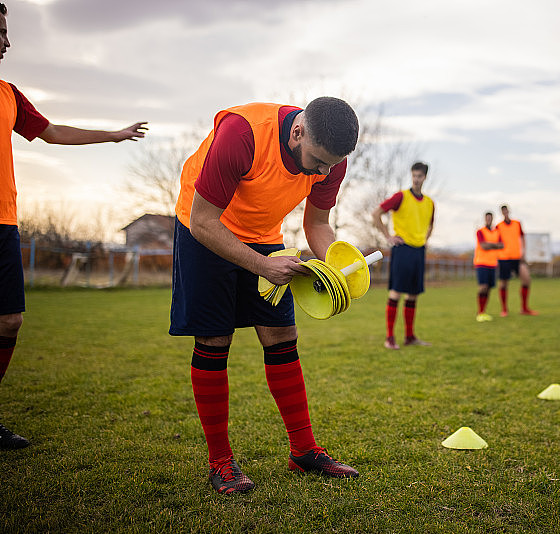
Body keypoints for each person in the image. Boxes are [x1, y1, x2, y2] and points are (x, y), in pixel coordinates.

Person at [170, 96, 360, 494]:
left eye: (332, 164)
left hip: (263, 233)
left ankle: (303, 451)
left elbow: (317, 224)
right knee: (214, 339)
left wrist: (337, 267)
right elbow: (202, 221)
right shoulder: (242, 134)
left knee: (281, 335)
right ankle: (220, 462)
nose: (324, 172)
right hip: (205, 228)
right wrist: (261, 266)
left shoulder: (332, 160)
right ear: (297, 132)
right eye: (318, 161)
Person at [0, 3, 147, 450]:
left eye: (6, 31)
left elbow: (52, 132)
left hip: (3, 223)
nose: (7, 42)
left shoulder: (9, 94)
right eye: (0, 32)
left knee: (9, 322)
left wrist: (113, 135)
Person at [372, 162, 434, 350]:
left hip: (419, 251)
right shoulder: (401, 196)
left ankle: (410, 336)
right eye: (414, 175)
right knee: (396, 293)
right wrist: (388, 236)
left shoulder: (430, 203)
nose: (416, 179)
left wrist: (425, 239)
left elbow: (431, 224)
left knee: (413, 295)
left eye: (420, 176)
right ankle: (389, 337)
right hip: (402, 249)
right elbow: (376, 213)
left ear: (425, 177)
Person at [495, 205, 537, 317]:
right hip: (504, 258)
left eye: (506, 210)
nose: (505, 212)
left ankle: (524, 308)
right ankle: (504, 309)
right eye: (503, 211)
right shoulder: (498, 226)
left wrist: (523, 252)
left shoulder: (517, 223)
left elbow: (522, 238)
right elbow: (495, 241)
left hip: (517, 257)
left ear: (508, 211)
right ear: (501, 213)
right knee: (503, 283)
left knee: (526, 280)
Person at [474, 212, 504, 322]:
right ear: (485, 219)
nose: (489, 220)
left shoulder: (497, 232)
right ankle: (480, 312)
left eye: (490, 218)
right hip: (481, 263)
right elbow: (483, 246)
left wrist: (489, 244)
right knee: (483, 287)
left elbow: (502, 245)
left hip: (493, 263)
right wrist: (494, 245)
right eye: (487, 218)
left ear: (492, 219)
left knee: (489, 289)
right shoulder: (480, 231)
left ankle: (484, 311)